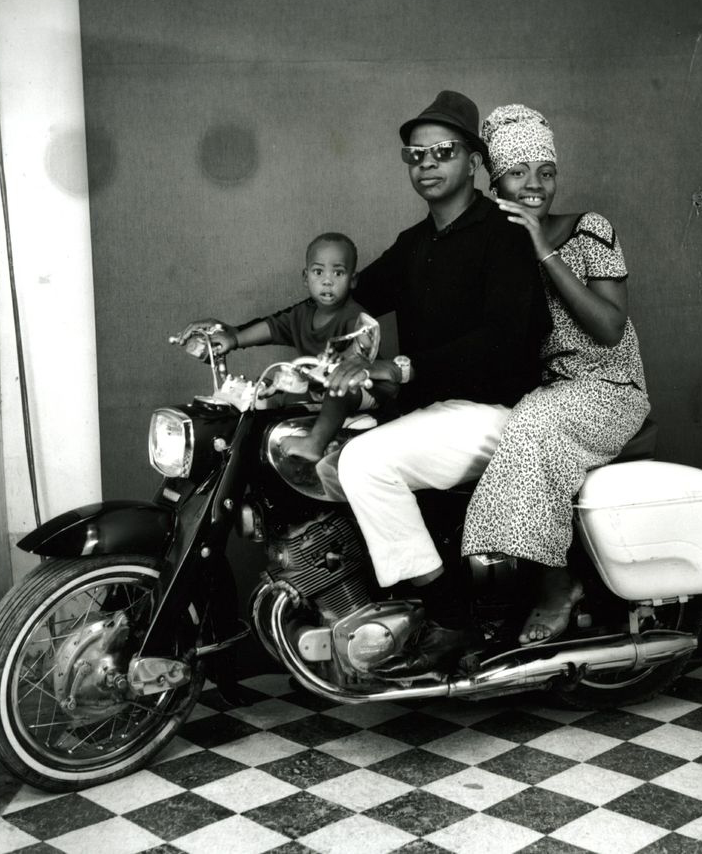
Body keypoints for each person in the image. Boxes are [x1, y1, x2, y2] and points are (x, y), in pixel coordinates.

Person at [322, 91, 550, 677]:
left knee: (367, 463)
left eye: (443, 151)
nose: (426, 162)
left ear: (473, 159)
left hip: (500, 414)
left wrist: (401, 367)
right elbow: (345, 303)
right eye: (414, 154)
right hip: (435, 412)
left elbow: (504, 340)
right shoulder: (415, 244)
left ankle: (451, 618)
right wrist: (239, 335)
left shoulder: (506, 234)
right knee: (323, 458)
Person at [461, 104, 650, 645]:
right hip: (549, 390)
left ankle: (557, 587)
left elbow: (610, 328)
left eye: (545, 172)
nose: (534, 185)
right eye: (517, 173)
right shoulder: (494, 247)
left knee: (534, 423)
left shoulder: (590, 229)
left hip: (610, 387)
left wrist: (544, 248)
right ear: (495, 180)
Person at [179, 231, 381, 462]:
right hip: (318, 386)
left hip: (362, 388)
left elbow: (362, 350)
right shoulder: (303, 313)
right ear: (306, 277)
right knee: (272, 384)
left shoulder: (354, 316)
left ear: (353, 280)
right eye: (318, 272)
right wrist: (234, 340)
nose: (327, 280)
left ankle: (314, 443)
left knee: (341, 388)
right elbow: (272, 327)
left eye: (338, 272)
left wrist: (341, 359)